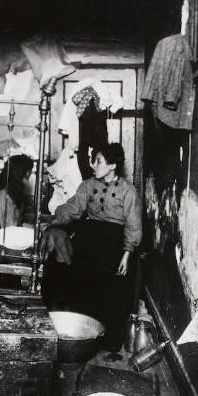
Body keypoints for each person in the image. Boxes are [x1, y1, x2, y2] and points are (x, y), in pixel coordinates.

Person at [44, 142, 142, 351]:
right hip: (90, 239)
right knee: (81, 284)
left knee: (111, 290)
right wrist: (53, 220)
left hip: (114, 244)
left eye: (98, 161)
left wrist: (126, 255)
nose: (93, 165)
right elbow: (72, 208)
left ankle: (108, 342)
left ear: (112, 165)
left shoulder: (128, 191)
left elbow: (133, 226)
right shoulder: (87, 185)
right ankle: (84, 336)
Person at [0, 154, 34, 230]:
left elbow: (16, 217)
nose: (28, 182)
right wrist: (30, 227)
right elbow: (10, 229)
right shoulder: (3, 197)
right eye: (27, 177)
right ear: (18, 176)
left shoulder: (13, 194)